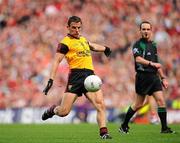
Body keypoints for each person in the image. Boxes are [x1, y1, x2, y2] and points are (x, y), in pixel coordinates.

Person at [42, 16, 112, 139]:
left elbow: (93, 46)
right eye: (74, 28)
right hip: (76, 77)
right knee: (64, 112)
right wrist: (50, 80)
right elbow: (56, 61)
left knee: (100, 104)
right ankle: (53, 110)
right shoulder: (65, 43)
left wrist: (105, 48)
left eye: (79, 27)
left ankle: (104, 133)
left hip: (90, 76)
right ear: (68, 27)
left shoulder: (83, 40)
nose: (77, 30)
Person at [119, 21, 175, 134]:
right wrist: (151, 64)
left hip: (154, 77)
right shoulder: (137, 44)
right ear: (140, 31)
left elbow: (156, 62)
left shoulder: (153, 45)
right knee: (138, 104)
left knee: (161, 101)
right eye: (143, 29)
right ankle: (124, 125)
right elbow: (138, 59)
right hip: (142, 77)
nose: (146, 31)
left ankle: (164, 128)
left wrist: (163, 77)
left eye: (148, 29)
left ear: (151, 31)